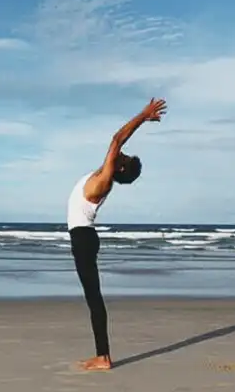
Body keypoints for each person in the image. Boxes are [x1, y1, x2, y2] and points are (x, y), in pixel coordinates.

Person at [66, 97, 167, 371]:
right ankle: (102, 355)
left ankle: (104, 357)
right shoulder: (103, 172)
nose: (121, 153)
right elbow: (115, 144)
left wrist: (143, 116)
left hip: (83, 239)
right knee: (92, 297)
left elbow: (116, 138)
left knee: (94, 298)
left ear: (120, 168)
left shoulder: (105, 177)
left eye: (124, 157)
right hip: (83, 238)